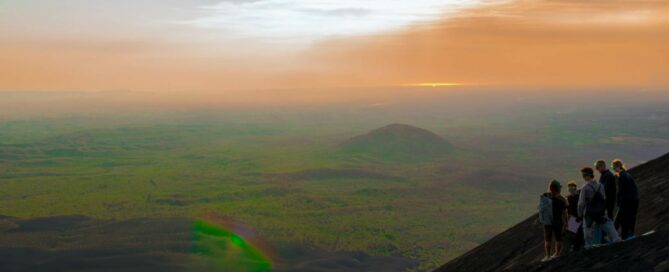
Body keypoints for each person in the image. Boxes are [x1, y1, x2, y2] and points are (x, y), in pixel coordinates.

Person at [577, 167, 621, 249]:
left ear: (587, 176)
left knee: (587, 228)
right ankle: (616, 238)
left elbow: (581, 203)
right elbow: (604, 198)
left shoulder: (585, 187)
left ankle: (588, 245)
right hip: (600, 211)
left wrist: (579, 214)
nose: (583, 177)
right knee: (607, 224)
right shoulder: (600, 186)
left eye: (583, 175)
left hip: (589, 211)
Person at [540, 179, 568, 261]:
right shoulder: (562, 200)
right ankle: (557, 254)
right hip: (558, 221)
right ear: (558, 188)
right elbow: (564, 213)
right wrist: (566, 223)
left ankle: (548, 256)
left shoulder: (545, 196)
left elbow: (541, 208)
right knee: (558, 238)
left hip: (547, 222)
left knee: (547, 239)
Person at [613, 159, 639, 240]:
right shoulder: (627, 175)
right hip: (634, 201)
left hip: (627, 202)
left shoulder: (622, 176)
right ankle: (629, 236)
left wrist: (620, 202)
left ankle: (614, 237)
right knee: (630, 219)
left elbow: (621, 191)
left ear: (618, 166)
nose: (613, 169)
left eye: (614, 167)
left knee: (619, 220)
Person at [563, 180, 583, 252]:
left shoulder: (580, 197)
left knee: (579, 235)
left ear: (575, 189)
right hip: (572, 219)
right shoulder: (568, 198)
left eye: (572, 189)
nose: (570, 190)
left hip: (579, 218)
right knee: (573, 236)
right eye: (569, 189)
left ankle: (579, 248)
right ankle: (575, 248)